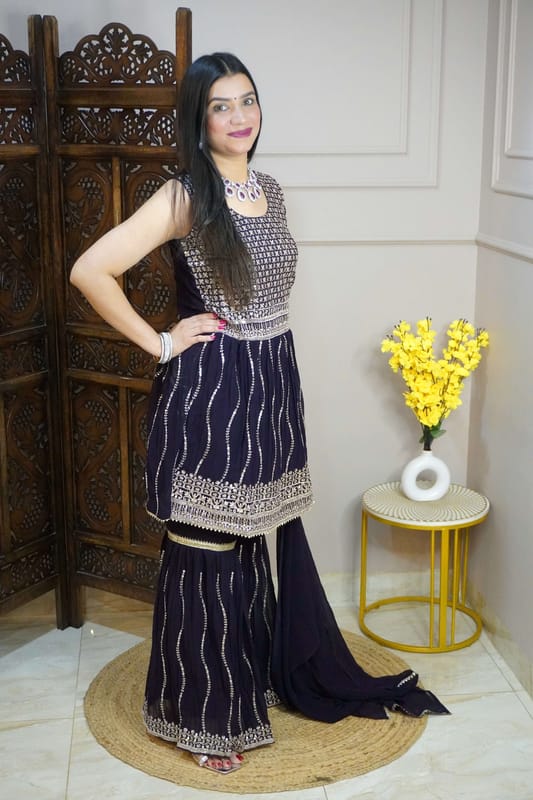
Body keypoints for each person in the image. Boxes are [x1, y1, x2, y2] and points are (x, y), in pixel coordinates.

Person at [70, 52, 448, 776]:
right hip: (212, 394)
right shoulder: (185, 195)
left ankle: (242, 685)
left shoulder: (268, 189)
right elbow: (90, 269)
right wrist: (160, 341)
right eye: (221, 105)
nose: (239, 116)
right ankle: (199, 715)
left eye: (247, 100)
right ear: (198, 119)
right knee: (206, 551)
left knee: (246, 544)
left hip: (270, 386)